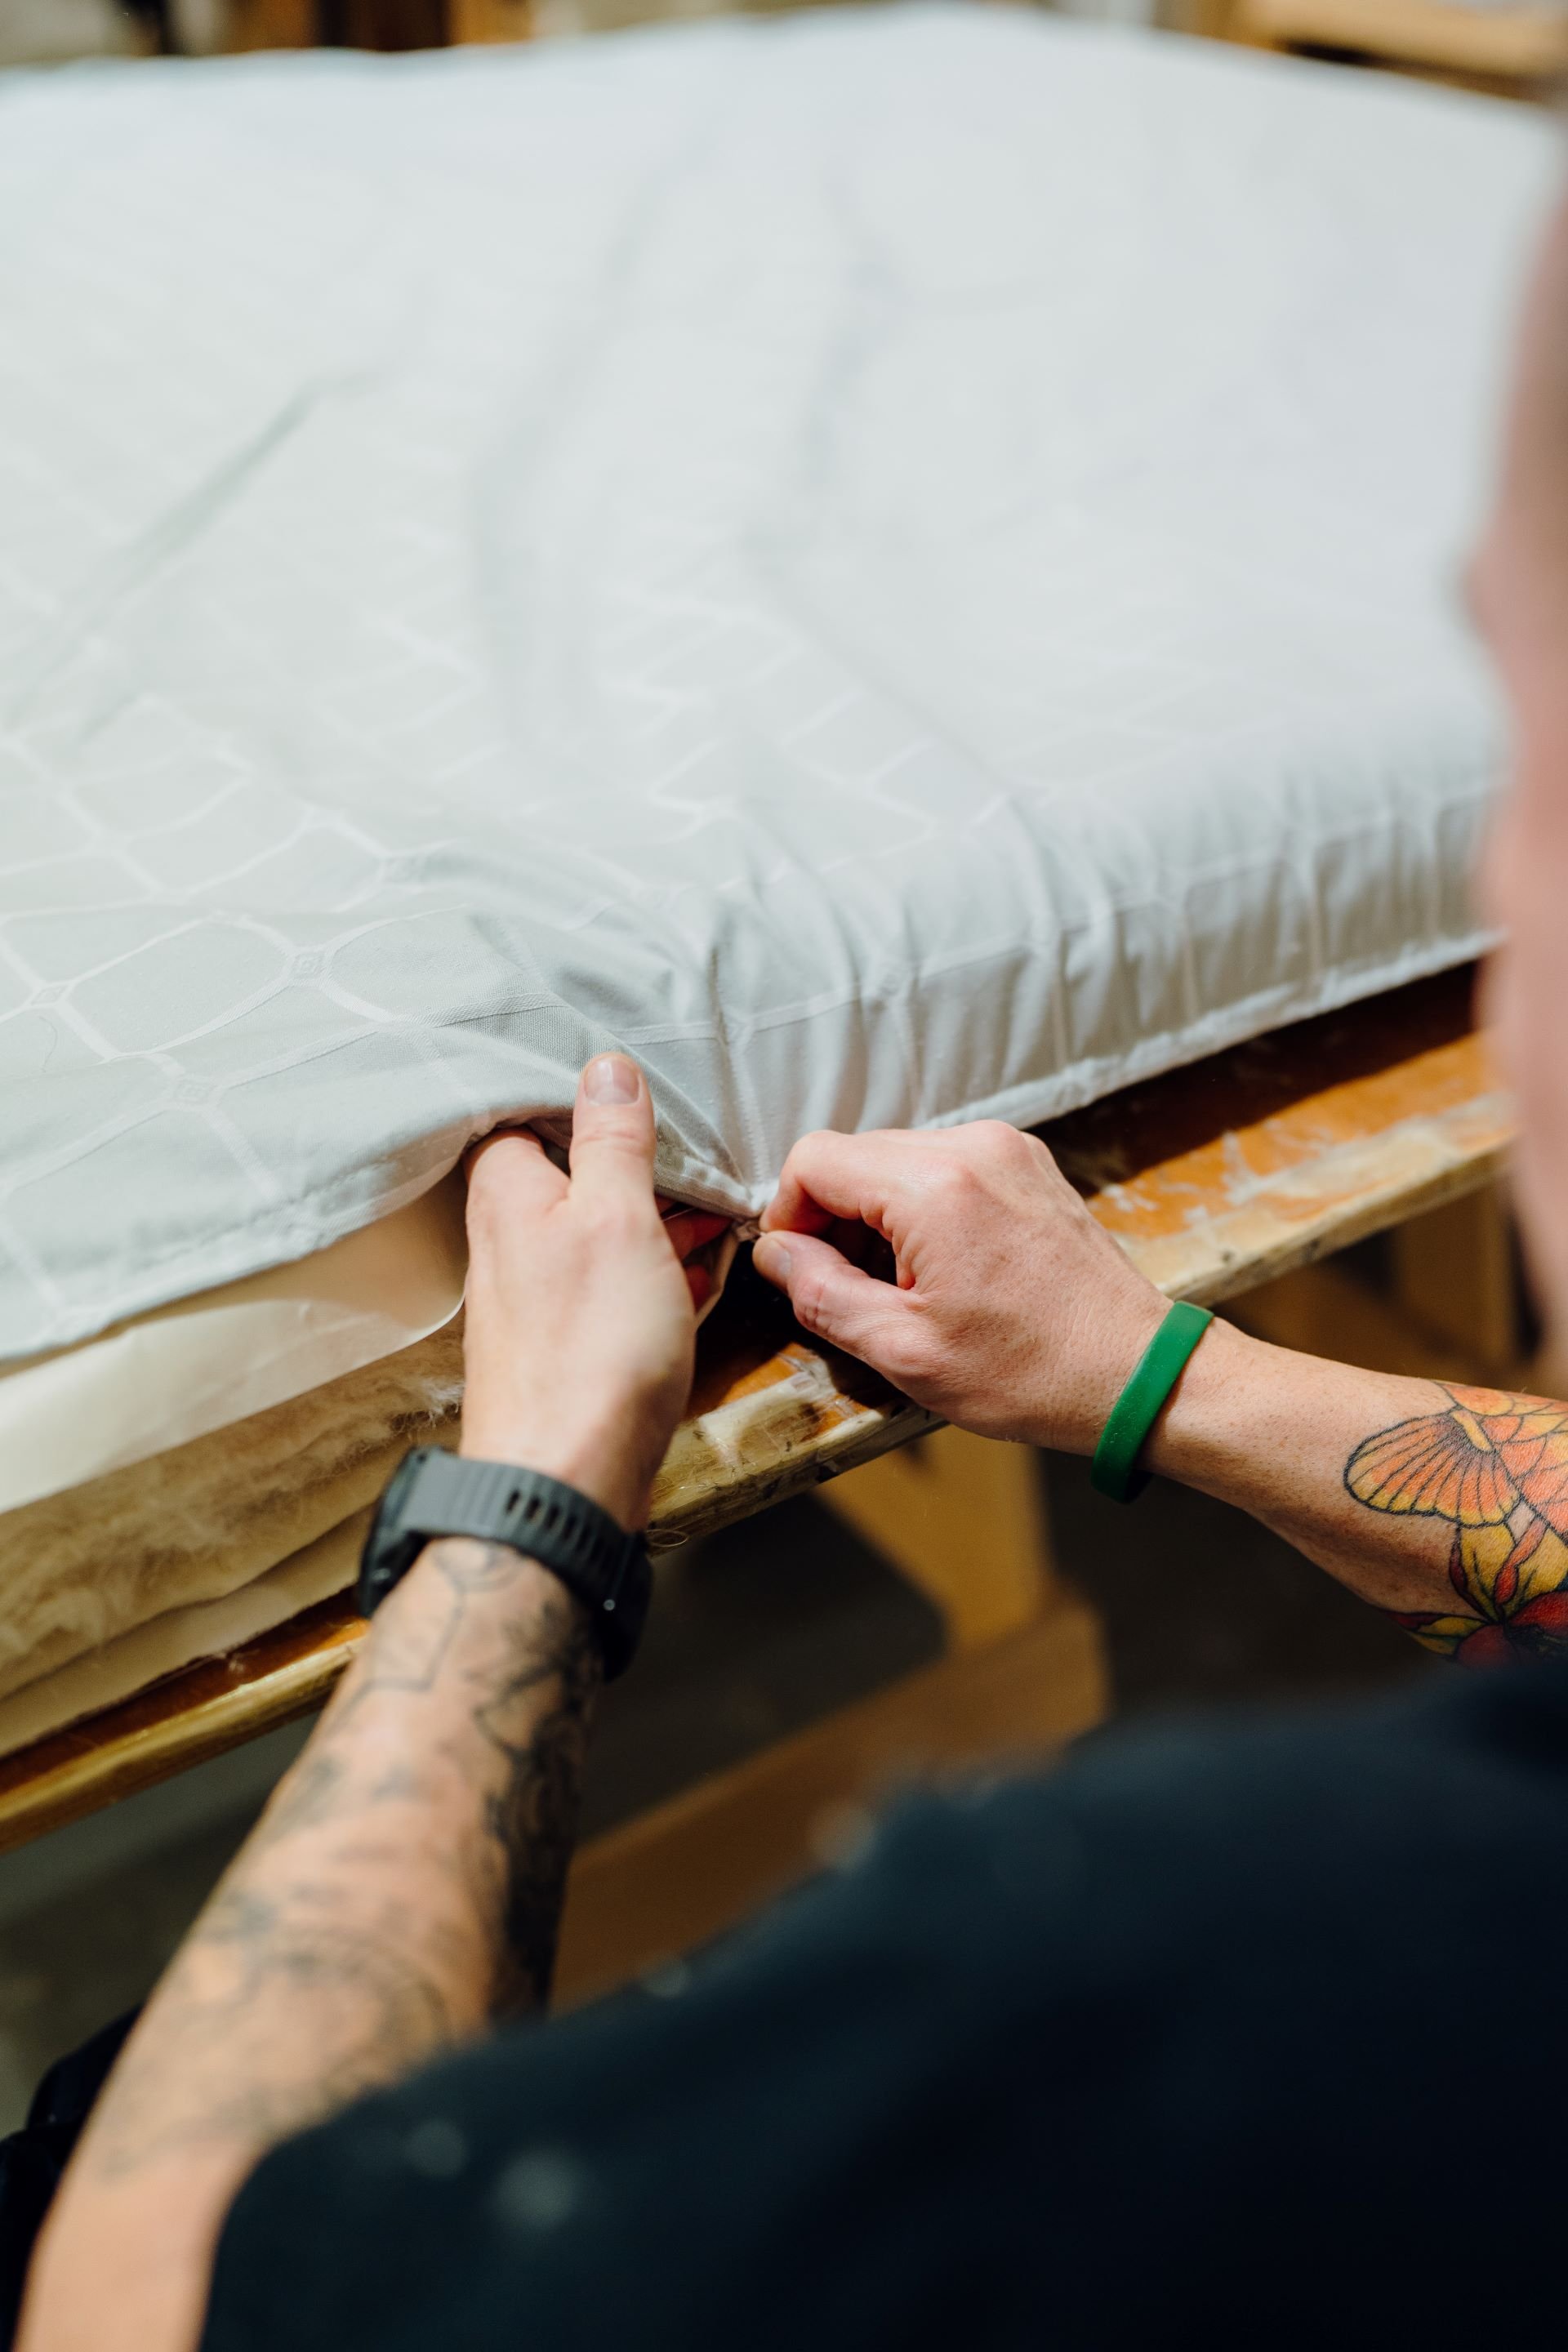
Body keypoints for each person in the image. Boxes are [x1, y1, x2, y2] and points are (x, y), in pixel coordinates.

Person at [16, 176, 1568, 2352]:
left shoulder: (1166, 1988)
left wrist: (528, 1499)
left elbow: (153, 2303)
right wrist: (1144, 1372)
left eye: (1517, 741)